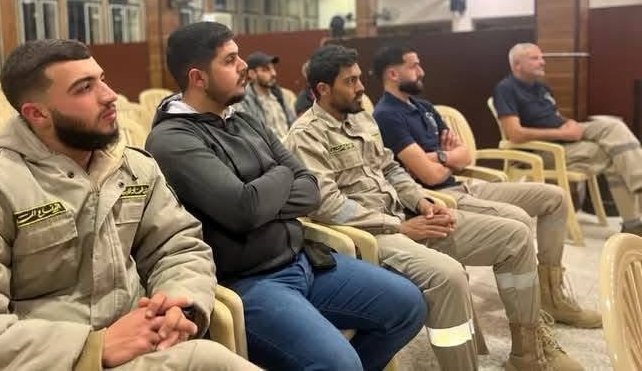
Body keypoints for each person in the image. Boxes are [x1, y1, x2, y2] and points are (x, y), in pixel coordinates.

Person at [0, 39, 255, 371]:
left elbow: (178, 245)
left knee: (214, 362)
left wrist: (177, 303)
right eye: (84, 88)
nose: (109, 95)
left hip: (146, 348)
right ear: (37, 114)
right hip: (54, 363)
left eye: (102, 79)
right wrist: (93, 347)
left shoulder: (134, 168)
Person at [146, 22, 427, 371]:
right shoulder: (172, 140)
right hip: (249, 282)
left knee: (408, 305)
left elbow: (309, 189)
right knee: (339, 363)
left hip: (303, 260)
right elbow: (244, 210)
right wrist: (280, 173)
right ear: (198, 78)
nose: (243, 66)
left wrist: (261, 191)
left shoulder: (245, 121)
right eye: (230, 60)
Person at [284, 44, 582, 371]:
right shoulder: (306, 135)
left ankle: (528, 353)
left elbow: (391, 169)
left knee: (515, 236)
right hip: (370, 236)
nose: (360, 87)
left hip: (406, 215)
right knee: (449, 277)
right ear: (323, 89)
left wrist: (422, 201)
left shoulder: (361, 119)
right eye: (350, 81)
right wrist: (397, 226)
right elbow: (329, 206)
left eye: (359, 78)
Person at [371, 45, 600, 329]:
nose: (422, 71)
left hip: (464, 184)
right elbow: (429, 177)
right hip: (438, 197)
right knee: (517, 221)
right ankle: (526, 317)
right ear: (393, 74)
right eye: (413, 66)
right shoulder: (386, 115)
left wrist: (440, 157)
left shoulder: (425, 107)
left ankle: (551, 292)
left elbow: (466, 156)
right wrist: (447, 157)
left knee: (554, 197)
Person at [493, 43, 642, 235]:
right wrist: (562, 134)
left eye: (541, 57)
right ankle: (633, 224)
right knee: (611, 154)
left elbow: (552, 117)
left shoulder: (541, 86)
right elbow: (515, 134)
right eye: (535, 58)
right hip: (541, 150)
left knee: (612, 126)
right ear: (517, 64)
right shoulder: (505, 89)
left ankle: (639, 183)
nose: (542, 62)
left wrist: (569, 123)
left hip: (562, 137)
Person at [235, 51, 295, 139]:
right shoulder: (244, 100)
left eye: (273, 68)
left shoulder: (279, 95)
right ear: (252, 74)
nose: (273, 73)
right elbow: (252, 134)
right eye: (266, 69)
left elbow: (293, 123)